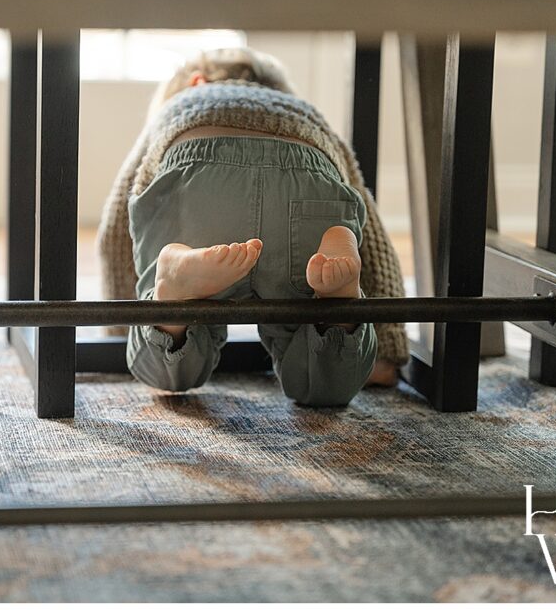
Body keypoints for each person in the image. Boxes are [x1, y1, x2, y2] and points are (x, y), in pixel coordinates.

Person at [96, 47, 410, 405]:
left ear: (197, 82)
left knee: (170, 371)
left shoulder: (184, 106)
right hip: (308, 177)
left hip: (199, 178)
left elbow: (117, 226)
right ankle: (338, 310)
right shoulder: (303, 115)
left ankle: (174, 295)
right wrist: (388, 343)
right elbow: (375, 238)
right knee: (320, 385)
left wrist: (118, 325)